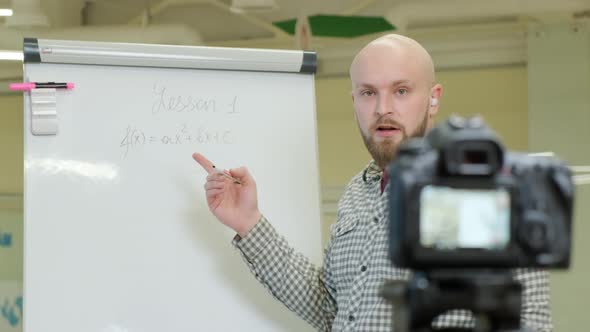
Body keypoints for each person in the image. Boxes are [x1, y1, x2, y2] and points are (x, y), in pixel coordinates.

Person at [193, 34, 552, 332]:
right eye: (368, 93)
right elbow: (332, 307)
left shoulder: (482, 190)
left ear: (433, 98)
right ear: (354, 101)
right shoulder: (357, 192)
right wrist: (250, 223)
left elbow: (527, 321)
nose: (383, 108)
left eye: (401, 91)